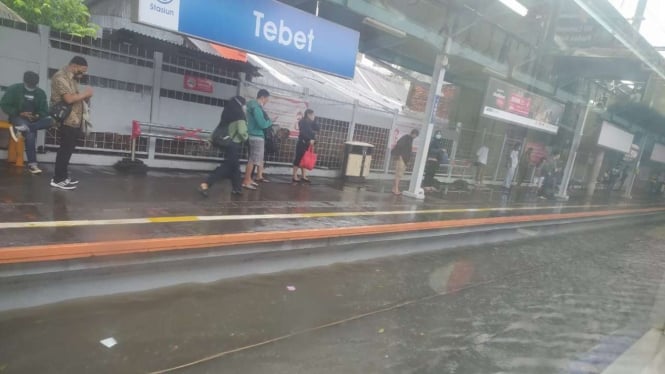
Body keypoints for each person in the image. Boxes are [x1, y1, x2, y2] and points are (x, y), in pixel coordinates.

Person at [50, 56, 93, 190]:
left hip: (74, 120)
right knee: (64, 150)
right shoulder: (60, 77)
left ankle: (62, 177)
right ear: (74, 66)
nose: (83, 73)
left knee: (67, 150)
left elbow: (77, 98)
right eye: (82, 70)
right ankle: (58, 179)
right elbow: (69, 99)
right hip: (66, 119)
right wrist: (85, 93)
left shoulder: (72, 79)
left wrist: (86, 97)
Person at [0, 71, 53, 174]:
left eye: (34, 85)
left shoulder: (40, 93)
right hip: (17, 117)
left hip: (34, 120)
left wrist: (37, 115)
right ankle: (32, 165)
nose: (32, 87)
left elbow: (45, 111)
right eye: (30, 85)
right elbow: (4, 104)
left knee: (51, 120)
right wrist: (19, 112)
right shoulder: (14, 89)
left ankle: (27, 128)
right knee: (30, 134)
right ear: (24, 81)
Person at [199, 96, 248, 197]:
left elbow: (219, 127)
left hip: (224, 142)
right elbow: (242, 132)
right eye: (244, 105)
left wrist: (210, 138)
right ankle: (206, 184)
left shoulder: (226, 113)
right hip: (233, 143)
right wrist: (246, 138)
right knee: (227, 167)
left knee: (235, 167)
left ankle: (237, 189)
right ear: (241, 105)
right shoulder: (240, 115)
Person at [242, 89, 272, 190]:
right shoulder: (256, 108)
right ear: (262, 97)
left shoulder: (251, 106)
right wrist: (270, 122)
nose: (267, 101)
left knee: (253, 159)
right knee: (253, 160)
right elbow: (262, 124)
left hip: (252, 134)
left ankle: (249, 179)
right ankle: (246, 181)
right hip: (257, 135)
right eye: (267, 99)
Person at [292, 109, 319, 183]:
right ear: (308, 114)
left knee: (305, 159)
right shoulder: (303, 121)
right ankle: (294, 176)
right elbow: (303, 132)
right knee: (298, 159)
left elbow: (317, 128)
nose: (314, 116)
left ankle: (303, 176)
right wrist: (308, 139)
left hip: (309, 143)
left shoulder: (311, 123)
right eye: (313, 115)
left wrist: (315, 120)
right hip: (302, 142)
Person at [392, 129, 419, 195]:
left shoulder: (410, 139)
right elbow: (399, 145)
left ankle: (394, 188)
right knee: (399, 174)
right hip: (402, 158)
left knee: (399, 174)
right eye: (415, 135)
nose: (415, 137)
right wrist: (398, 155)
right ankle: (396, 189)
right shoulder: (406, 138)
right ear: (413, 134)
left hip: (404, 159)